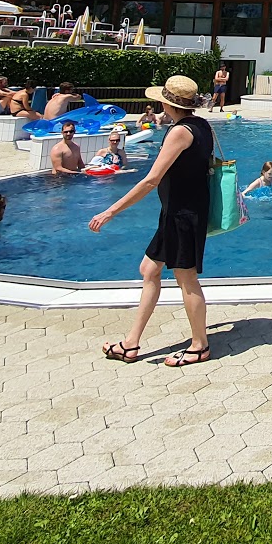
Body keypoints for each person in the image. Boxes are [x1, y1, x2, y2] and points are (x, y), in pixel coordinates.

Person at [90, 75, 214, 367]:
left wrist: (111, 211)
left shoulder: (180, 132)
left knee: (187, 278)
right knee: (149, 269)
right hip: (178, 212)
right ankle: (131, 343)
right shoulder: (202, 125)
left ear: (165, 102)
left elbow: (151, 180)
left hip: (183, 216)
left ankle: (200, 346)